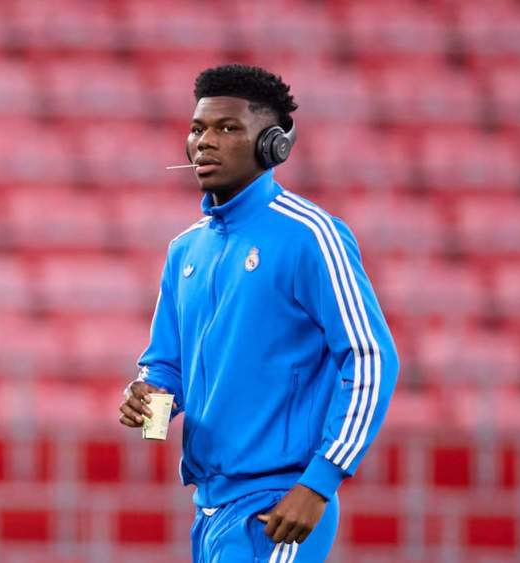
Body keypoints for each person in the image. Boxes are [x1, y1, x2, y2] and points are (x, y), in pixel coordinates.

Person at [118, 64, 399, 562]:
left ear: (273, 146)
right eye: (197, 129)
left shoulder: (311, 235)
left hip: (278, 504)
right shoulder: (184, 251)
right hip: (209, 508)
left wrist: (319, 482)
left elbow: (371, 359)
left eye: (228, 129)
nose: (205, 142)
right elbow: (166, 367)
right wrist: (149, 399)